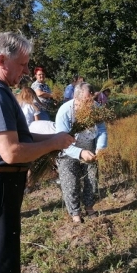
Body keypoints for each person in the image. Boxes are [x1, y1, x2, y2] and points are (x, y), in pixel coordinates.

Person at [0, 32, 74, 273]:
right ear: (2, 60)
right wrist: (53, 142)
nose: (27, 71)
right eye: (23, 64)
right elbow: (11, 151)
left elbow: (19, 137)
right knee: (1, 253)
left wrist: (55, 140)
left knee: (1, 247)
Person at [55, 82, 107, 223]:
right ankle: (75, 212)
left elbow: (101, 130)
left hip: (89, 148)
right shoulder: (65, 111)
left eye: (91, 100)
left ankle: (89, 207)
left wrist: (100, 148)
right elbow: (61, 140)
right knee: (70, 182)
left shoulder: (96, 109)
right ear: (76, 98)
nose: (89, 105)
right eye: (86, 101)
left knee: (91, 179)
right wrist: (79, 152)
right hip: (67, 151)